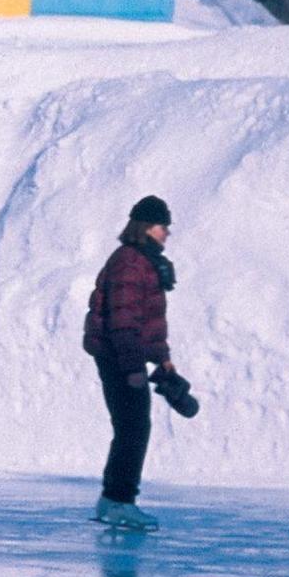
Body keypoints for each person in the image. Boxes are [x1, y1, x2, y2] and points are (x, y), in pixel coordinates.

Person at [82, 195, 178, 531]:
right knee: (133, 429)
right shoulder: (130, 263)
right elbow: (123, 320)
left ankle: (113, 499)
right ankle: (120, 501)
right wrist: (133, 368)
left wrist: (163, 362)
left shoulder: (141, 261)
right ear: (148, 227)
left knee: (131, 429)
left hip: (126, 358)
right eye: (163, 226)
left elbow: (149, 321)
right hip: (120, 359)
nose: (167, 233)